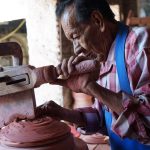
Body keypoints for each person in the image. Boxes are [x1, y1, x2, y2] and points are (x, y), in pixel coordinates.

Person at [37, 0, 150, 149]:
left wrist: (93, 88)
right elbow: (102, 118)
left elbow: (147, 125)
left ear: (98, 21)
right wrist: (61, 113)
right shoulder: (104, 57)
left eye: (76, 36)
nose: (76, 49)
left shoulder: (139, 44)